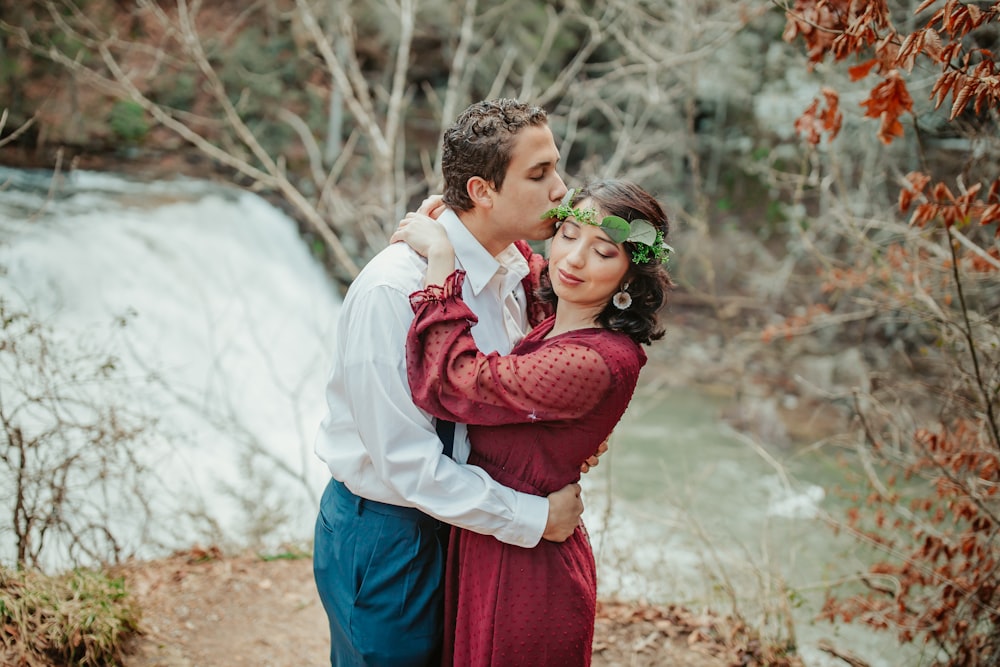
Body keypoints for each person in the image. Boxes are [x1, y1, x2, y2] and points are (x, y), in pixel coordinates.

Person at [312, 98, 598, 667]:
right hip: (393, 537)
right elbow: (407, 465)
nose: (561, 190)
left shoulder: (516, 271)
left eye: (556, 168)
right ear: (481, 190)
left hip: (473, 526)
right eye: (539, 175)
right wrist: (535, 520)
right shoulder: (392, 292)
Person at [392, 179, 674, 666]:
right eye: (567, 235)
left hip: (529, 569)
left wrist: (441, 264)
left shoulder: (593, 359)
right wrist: (465, 215)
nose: (574, 260)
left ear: (631, 276)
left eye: (604, 252)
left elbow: (460, 382)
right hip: (498, 539)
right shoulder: (562, 315)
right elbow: (519, 252)